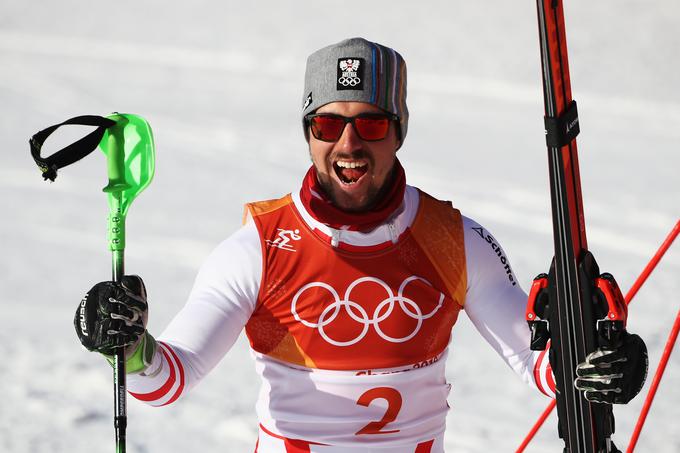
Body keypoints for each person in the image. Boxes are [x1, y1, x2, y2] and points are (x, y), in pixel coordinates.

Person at [75, 37, 647, 452]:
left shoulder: (452, 239)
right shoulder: (260, 245)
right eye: (328, 125)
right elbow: (168, 381)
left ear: (399, 130)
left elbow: (537, 363)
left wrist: (600, 366)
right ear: (307, 134)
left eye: (371, 124)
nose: (348, 144)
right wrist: (124, 345)